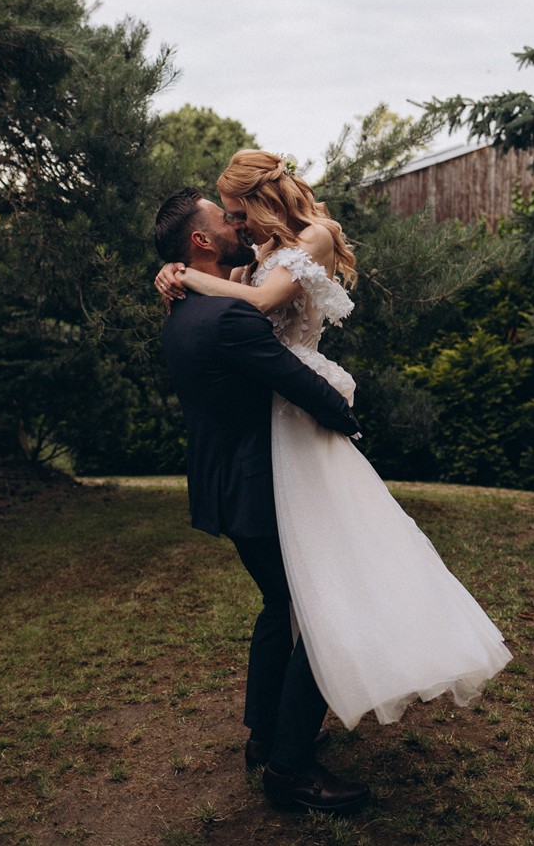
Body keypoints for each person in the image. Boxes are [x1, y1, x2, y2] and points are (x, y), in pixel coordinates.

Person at [155, 151, 512, 737]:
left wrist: (187, 275)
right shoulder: (256, 258)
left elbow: (261, 305)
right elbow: (237, 304)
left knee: (315, 590)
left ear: (263, 199)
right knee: (311, 596)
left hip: (297, 412)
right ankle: (281, 747)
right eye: (228, 218)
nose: (237, 224)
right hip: (279, 422)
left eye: (238, 212)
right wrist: (178, 271)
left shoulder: (313, 238)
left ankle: (276, 739)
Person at [154, 187, 371, 814]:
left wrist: (172, 273)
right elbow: (295, 381)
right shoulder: (228, 316)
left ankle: (263, 736)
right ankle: (291, 766)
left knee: (281, 606)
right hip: (259, 488)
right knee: (326, 612)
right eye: (224, 219)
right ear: (201, 241)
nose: (236, 224)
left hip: (225, 488)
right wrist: (348, 420)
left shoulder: (184, 308)